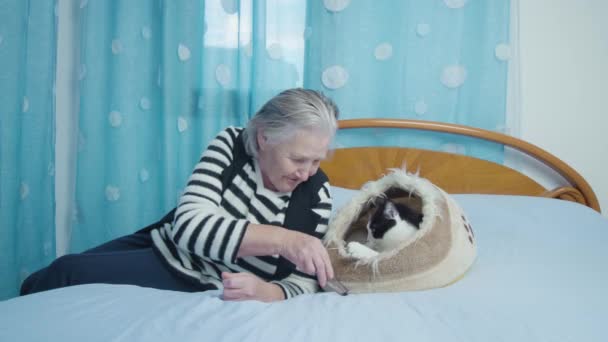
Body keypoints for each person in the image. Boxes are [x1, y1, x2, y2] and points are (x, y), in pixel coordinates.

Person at [20, 88, 339, 302]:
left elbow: (305, 283)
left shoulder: (316, 195)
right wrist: (285, 240)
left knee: (66, 273)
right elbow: (189, 228)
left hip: (195, 276)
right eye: (298, 159)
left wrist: (266, 291)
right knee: (51, 274)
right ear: (264, 137)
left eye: (316, 160)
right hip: (166, 243)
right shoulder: (231, 144)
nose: (307, 172)